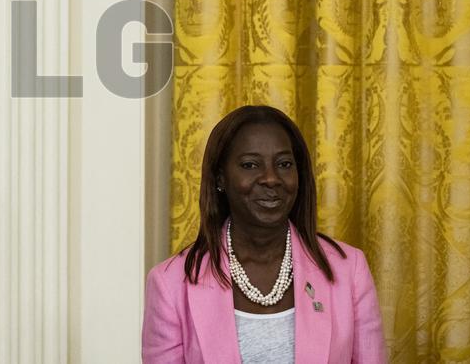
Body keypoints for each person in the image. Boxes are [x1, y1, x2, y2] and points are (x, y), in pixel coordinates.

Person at [142, 105, 387, 363]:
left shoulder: (349, 269)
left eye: (284, 164)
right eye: (250, 165)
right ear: (220, 178)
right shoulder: (170, 284)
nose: (271, 178)